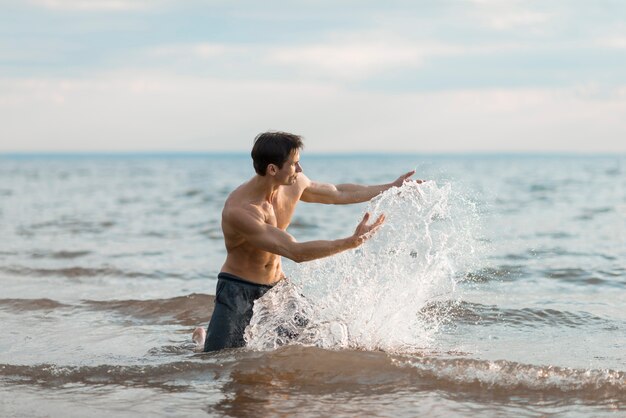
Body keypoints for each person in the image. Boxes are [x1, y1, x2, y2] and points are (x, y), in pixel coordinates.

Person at [196, 131, 422, 352]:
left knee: (313, 346)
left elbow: (337, 193)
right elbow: (295, 251)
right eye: (294, 164)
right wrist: (350, 242)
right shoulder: (241, 210)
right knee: (219, 359)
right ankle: (201, 339)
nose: (300, 169)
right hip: (239, 289)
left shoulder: (294, 183)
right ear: (273, 169)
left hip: (278, 288)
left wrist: (390, 188)